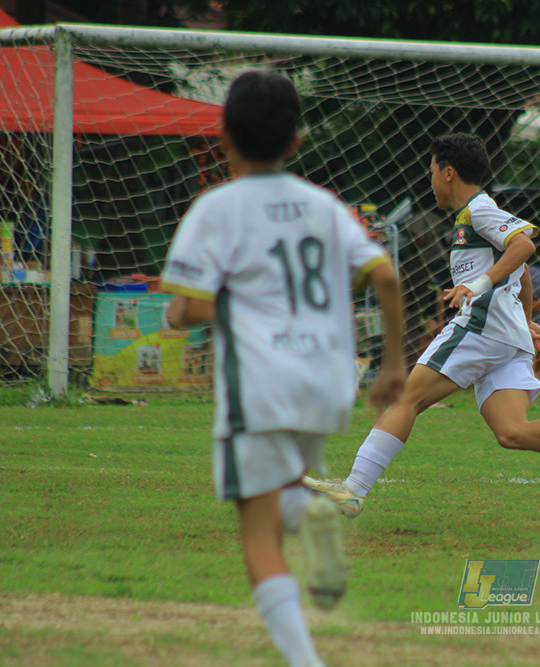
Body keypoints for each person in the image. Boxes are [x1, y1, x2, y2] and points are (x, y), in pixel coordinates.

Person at [160, 71, 405, 667]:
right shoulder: (325, 205)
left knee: (259, 532)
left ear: (223, 136)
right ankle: (307, 506)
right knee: (287, 489)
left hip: (262, 384)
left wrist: (181, 311)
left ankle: (305, 660)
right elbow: (386, 275)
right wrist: (394, 364)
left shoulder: (216, 209)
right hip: (327, 379)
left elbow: (191, 307)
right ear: (296, 140)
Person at [303, 133, 540, 518]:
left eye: (432, 171)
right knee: (512, 431)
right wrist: (523, 322)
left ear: (448, 173)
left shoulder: (479, 209)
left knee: (405, 398)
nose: (430, 181)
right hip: (505, 335)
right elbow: (521, 270)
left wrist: (478, 286)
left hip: (480, 328)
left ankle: (353, 490)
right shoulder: (473, 217)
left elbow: (524, 246)